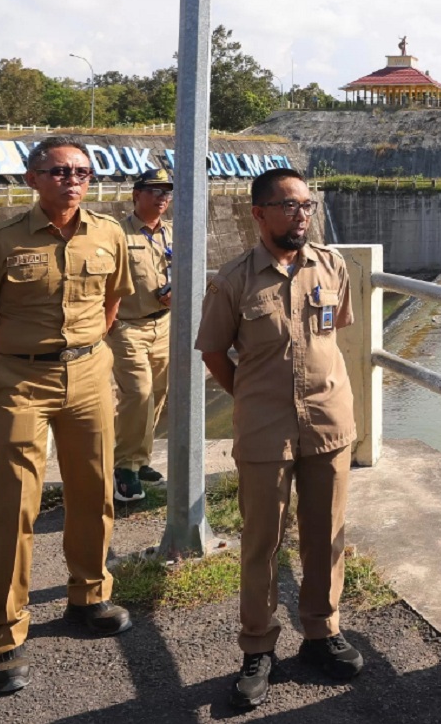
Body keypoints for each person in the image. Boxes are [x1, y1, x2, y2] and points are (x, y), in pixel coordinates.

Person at [0, 136, 135, 694]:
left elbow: (112, 303)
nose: (72, 180)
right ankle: (5, 634)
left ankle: (89, 594)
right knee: (14, 505)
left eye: (82, 171)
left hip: (87, 375)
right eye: (58, 171)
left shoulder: (109, 234)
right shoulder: (0, 242)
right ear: (32, 179)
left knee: (94, 489)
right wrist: (5, 366)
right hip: (21, 379)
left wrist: (81, 352)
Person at [196, 167, 364, 710]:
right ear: (259, 213)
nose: (301, 215)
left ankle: (321, 631)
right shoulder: (234, 279)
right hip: (266, 429)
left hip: (328, 423)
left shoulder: (332, 266)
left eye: (307, 205)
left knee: (326, 534)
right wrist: (253, 396)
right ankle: (258, 647)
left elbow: (333, 333)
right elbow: (215, 353)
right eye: (289, 206)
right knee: (262, 543)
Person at [105, 168, 174, 503]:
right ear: (136, 195)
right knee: (138, 393)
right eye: (154, 191)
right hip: (128, 327)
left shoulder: (173, 233)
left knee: (158, 393)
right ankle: (125, 468)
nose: (162, 197)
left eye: (166, 192)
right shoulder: (116, 233)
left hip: (164, 324)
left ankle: (140, 458)